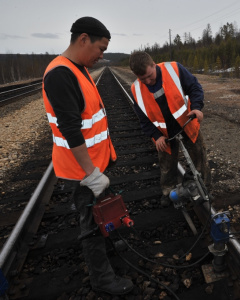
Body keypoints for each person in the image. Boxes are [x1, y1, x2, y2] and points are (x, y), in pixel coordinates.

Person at [42, 16, 133, 295]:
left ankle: (108, 251)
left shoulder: (77, 68)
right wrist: (91, 175)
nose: (102, 55)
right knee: (91, 226)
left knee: (101, 216)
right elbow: (71, 130)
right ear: (83, 39)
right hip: (82, 172)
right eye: (100, 48)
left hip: (95, 165)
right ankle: (102, 279)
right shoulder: (60, 74)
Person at [129, 51, 211, 206]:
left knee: (199, 158)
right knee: (166, 166)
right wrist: (156, 135)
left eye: (149, 75)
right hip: (163, 134)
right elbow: (143, 119)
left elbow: (194, 88)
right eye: (142, 78)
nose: (147, 81)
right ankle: (168, 192)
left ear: (154, 64)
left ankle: (204, 189)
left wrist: (197, 107)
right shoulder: (136, 89)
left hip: (187, 123)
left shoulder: (174, 69)